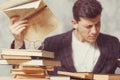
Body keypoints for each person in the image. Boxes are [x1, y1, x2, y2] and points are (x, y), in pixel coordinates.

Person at [10, 0, 120, 76]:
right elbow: (24, 69)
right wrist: (19, 40)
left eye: (97, 24)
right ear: (74, 23)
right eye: (88, 26)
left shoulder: (112, 43)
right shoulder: (52, 44)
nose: (95, 31)